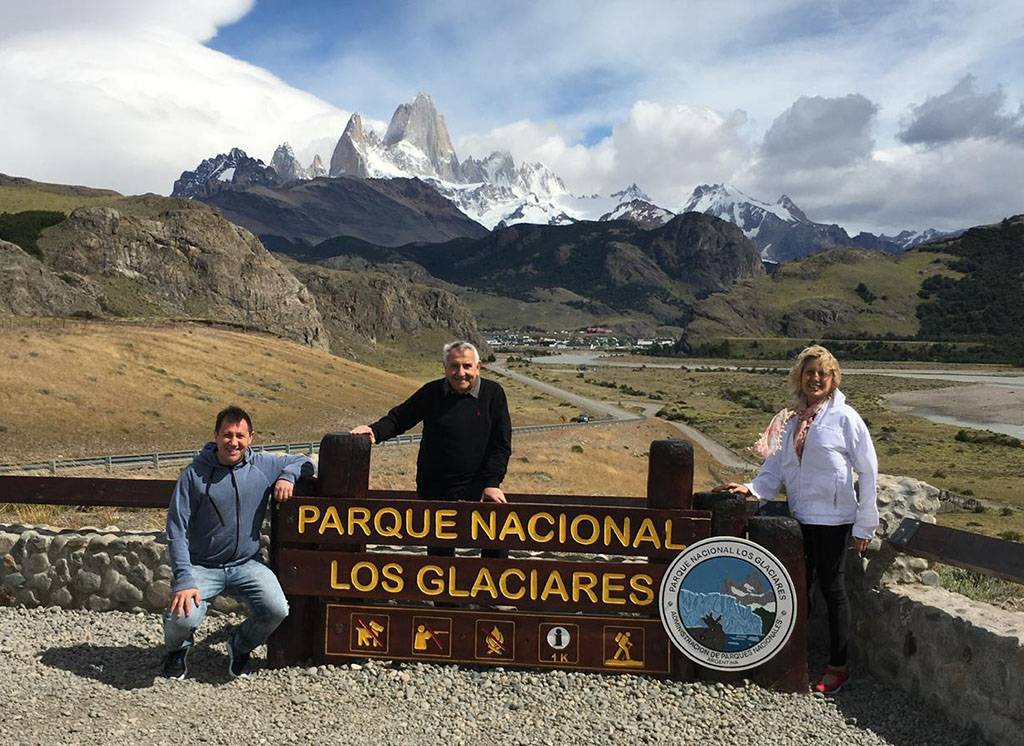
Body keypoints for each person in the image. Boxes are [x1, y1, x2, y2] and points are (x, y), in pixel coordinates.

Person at [714, 345, 878, 694]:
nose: (815, 378)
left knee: (833, 591)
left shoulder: (845, 417)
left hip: (834, 519)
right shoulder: (790, 420)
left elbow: (867, 469)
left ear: (833, 379)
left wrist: (865, 524)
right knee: (796, 589)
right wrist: (751, 488)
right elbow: (775, 467)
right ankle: (790, 657)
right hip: (799, 516)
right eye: (809, 372)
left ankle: (838, 665)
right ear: (799, 377)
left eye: (823, 373)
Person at [162, 405, 314, 680]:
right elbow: (176, 529)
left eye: (240, 436)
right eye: (227, 435)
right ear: (216, 436)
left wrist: (287, 476)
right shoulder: (194, 474)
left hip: (246, 563)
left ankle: (240, 646)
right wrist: (184, 579)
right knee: (181, 617)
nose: (233, 442)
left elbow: (306, 461)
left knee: (277, 609)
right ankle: (176, 650)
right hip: (202, 565)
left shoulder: (262, 465)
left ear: (251, 438)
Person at [350, 340, 512, 558]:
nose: (460, 373)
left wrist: (492, 483)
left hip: (480, 486)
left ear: (478, 367)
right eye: (454, 366)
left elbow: (501, 444)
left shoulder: (493, 394)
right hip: (436, 488)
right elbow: (400, 418)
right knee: (439, 555)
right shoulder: (432, 392)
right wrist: (374, 432)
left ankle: (489, 591)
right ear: (445, 368)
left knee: (495, 543)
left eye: (466, 366)